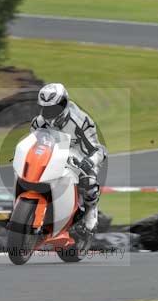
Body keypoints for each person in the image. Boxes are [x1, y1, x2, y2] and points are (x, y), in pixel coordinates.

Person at [31, 83, 107, 233]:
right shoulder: (38, 123)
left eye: (54, 108)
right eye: (47, 108)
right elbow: (33, 143)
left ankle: (91, 210)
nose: (50, 112)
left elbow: (97, 149)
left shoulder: (82, 122)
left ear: (64, 104)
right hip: (52, 156)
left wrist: (89, 161)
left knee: (88, 181)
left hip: (80, 157)